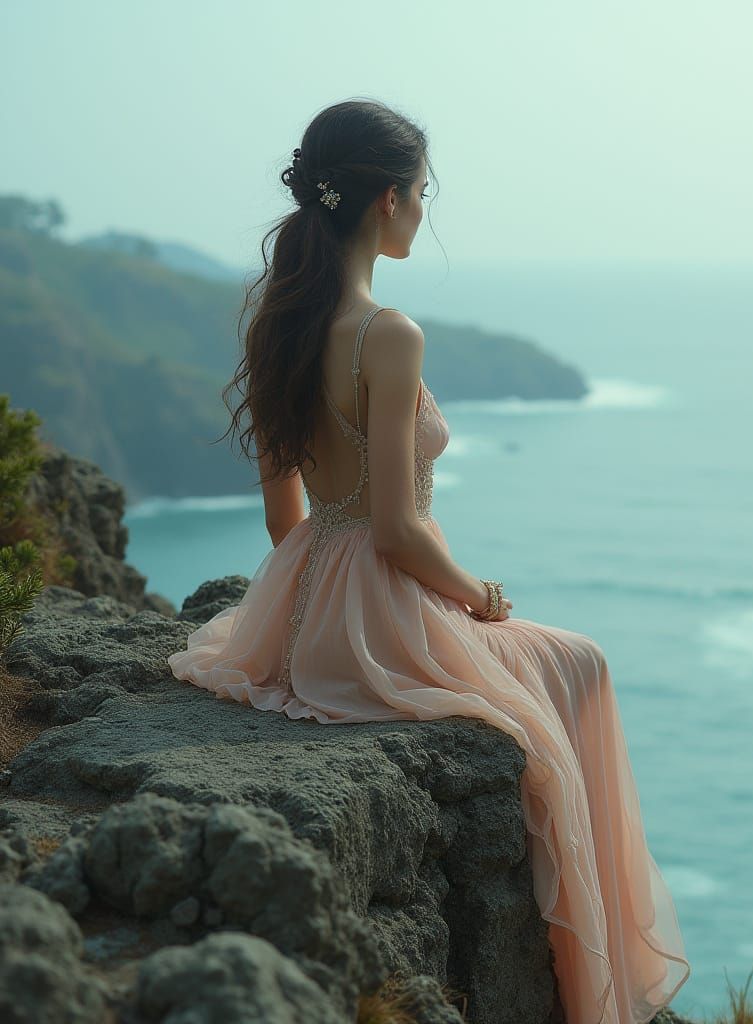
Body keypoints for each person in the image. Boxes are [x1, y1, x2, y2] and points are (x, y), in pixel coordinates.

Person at [167, 97, 691, 1023]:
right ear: (385, 201)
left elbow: (286, 523)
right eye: (420, 193)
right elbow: (399, 534)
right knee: (581, 663)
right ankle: (597, 978)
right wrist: (478, 598)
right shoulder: (387, 333)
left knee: (554, 670)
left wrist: (311, 607)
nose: (423, 211)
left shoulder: (281, 323)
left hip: (293, 614)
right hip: (379, 608)